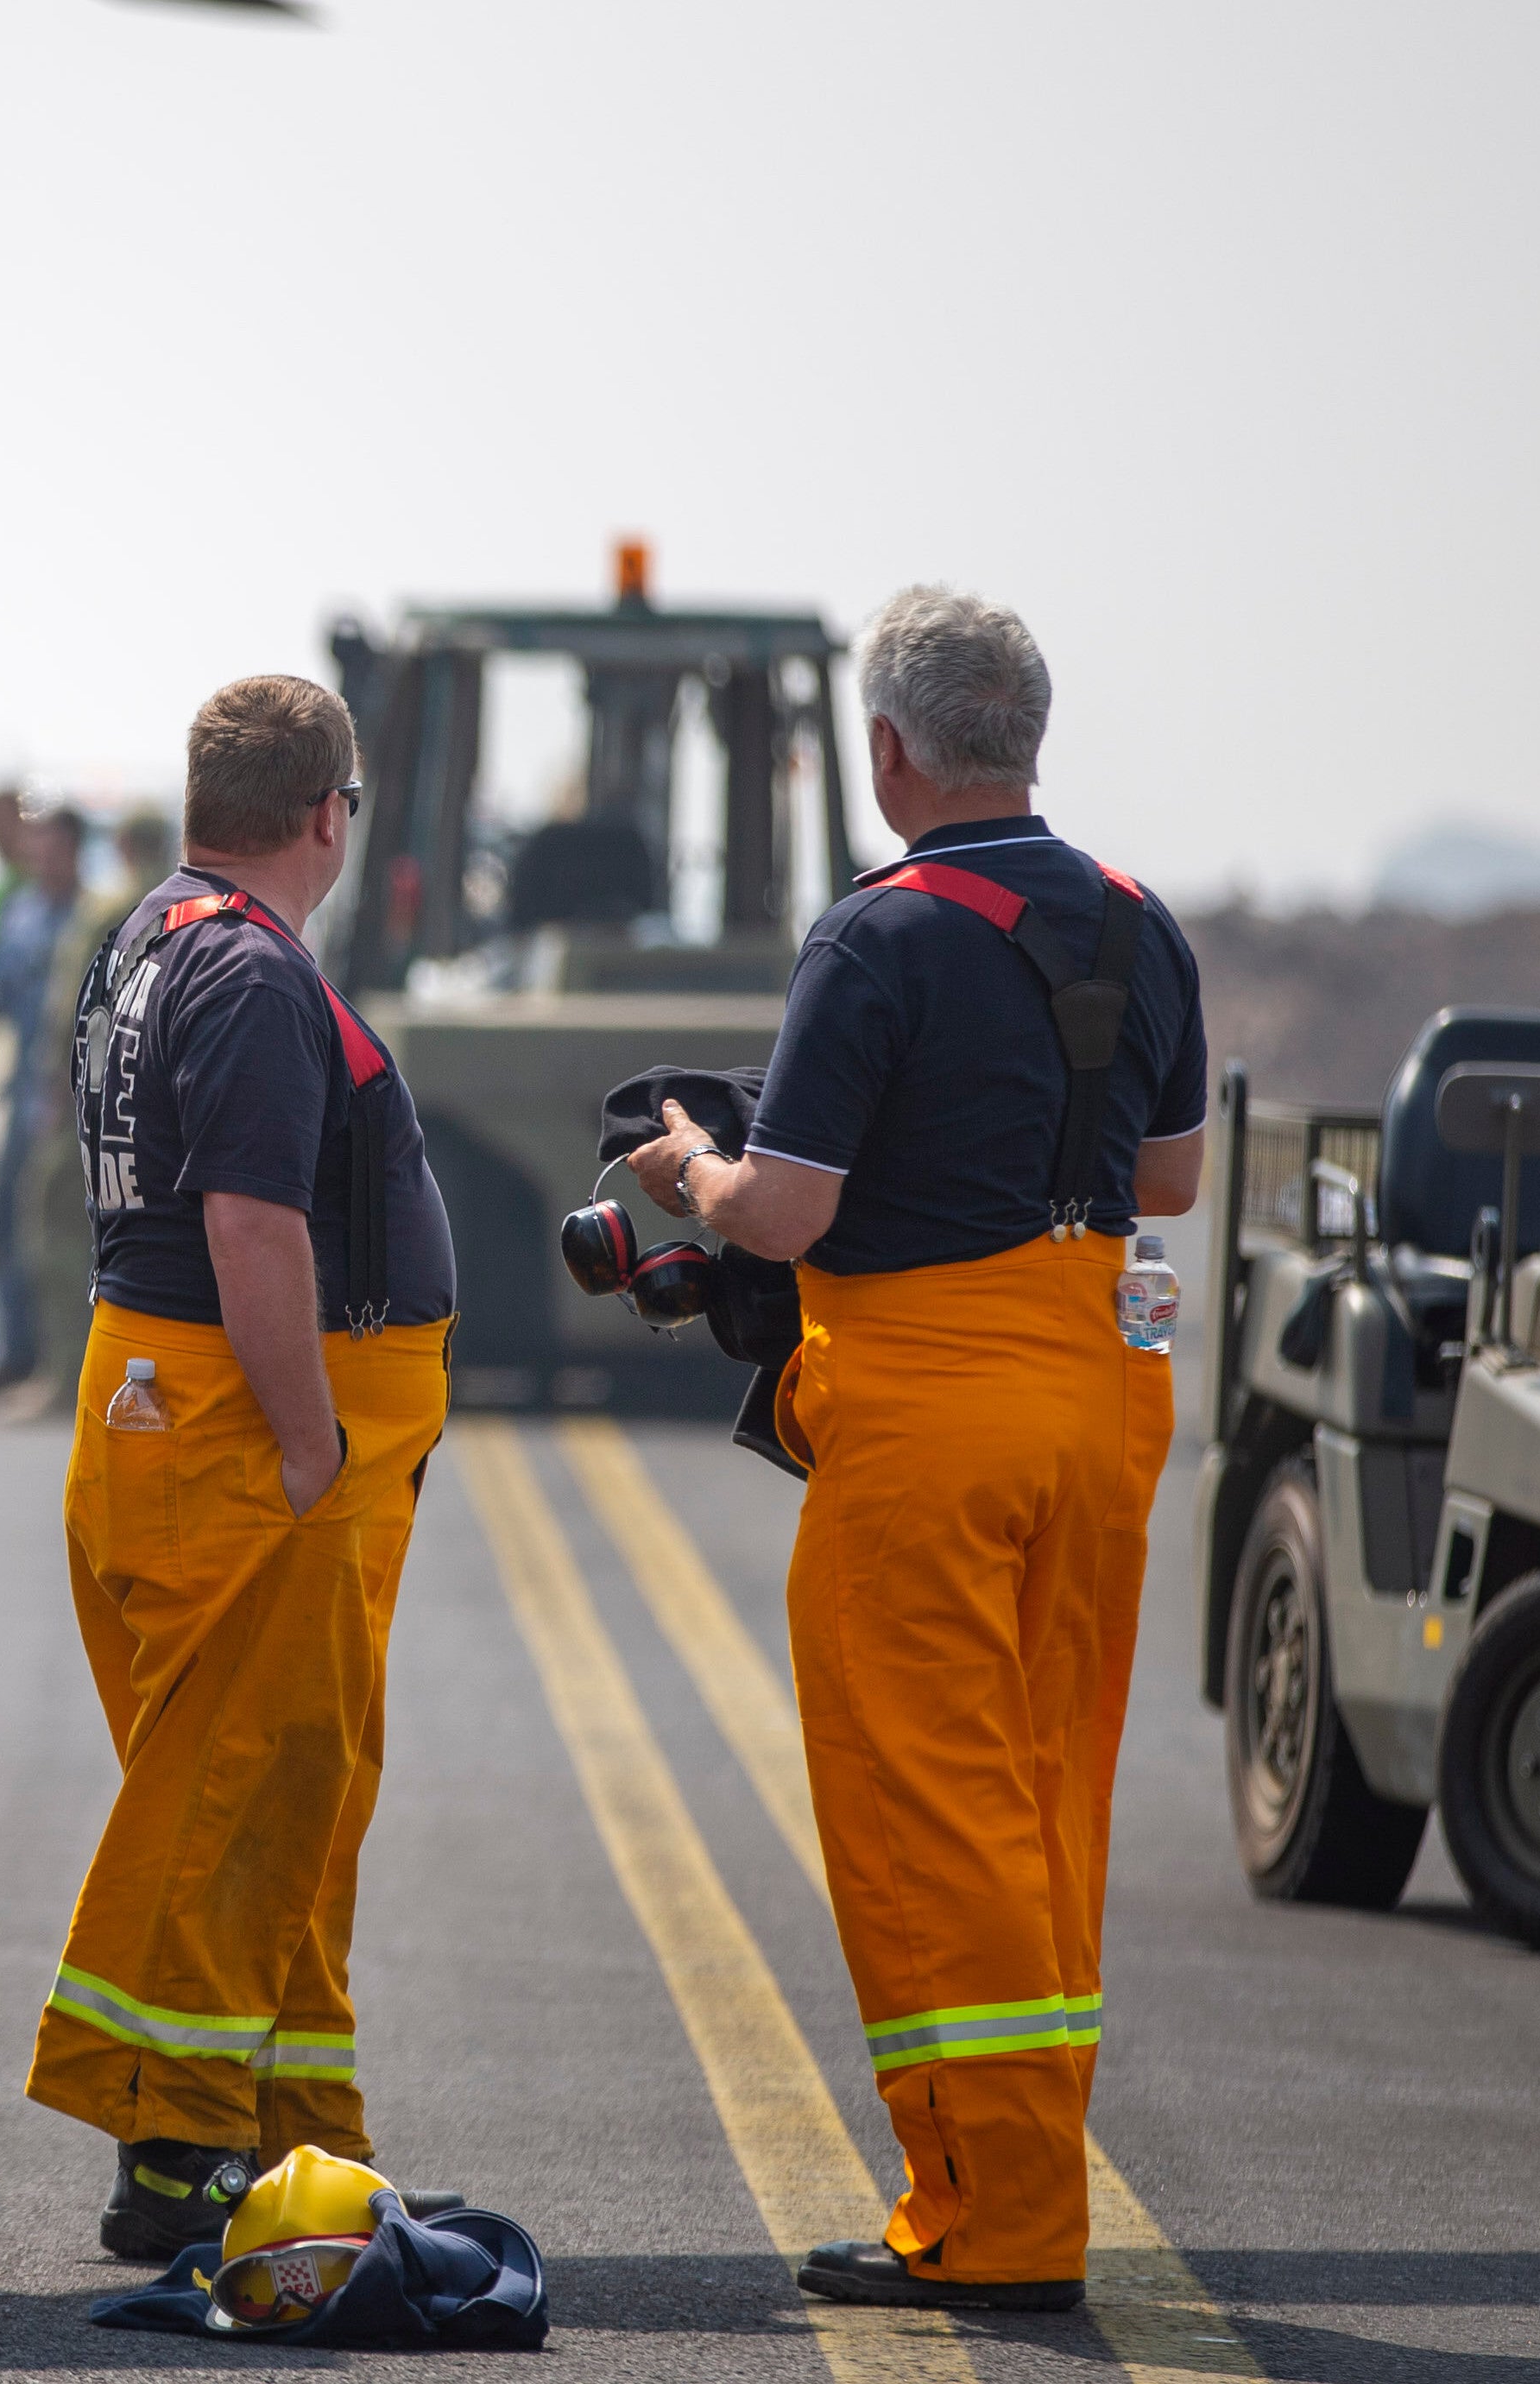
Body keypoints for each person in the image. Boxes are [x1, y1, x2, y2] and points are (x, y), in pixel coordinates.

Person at [622, 588, 1203, 2313]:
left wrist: (686, 1172)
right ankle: (1015, 2179)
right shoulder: (1133, 918)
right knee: (1040, 1800)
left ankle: (993, 2213)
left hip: (926, 1412)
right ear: (1025, 737)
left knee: (920, 1812)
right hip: (1098, 1403)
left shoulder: (871, 938)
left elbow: (787, 1212)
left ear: (886, 751)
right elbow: (1162, 1180)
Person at [28, 678, 458, 2261]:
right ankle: (181, 2141)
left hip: (152, 1394)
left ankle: (295, 2130)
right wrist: (308, 1440)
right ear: (330, 813)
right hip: (238, 1416)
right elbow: (252, 1226)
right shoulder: (256, 976)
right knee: (243, 1786)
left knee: (280, 1791)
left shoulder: (145, 937)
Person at [21, 810, 174, 1400]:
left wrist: (57, 1090)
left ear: (125, 842)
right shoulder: (189, 908)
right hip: (148, 1096)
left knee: (55, 1221)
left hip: (91, 1095)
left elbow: (77, 1008)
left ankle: (63, 1376)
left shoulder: (108, 910)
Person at [0, 794, 88, 1386]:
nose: (40, 856)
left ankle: (59, 1361)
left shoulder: (95, 915)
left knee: (62, 1228)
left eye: (51, 845)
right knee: (9, 1224)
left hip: (75, 1098)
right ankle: (19, 1352)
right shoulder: (18, 912)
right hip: (23, 1093)